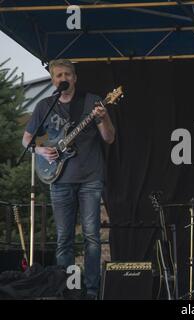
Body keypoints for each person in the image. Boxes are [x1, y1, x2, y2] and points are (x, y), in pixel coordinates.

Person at [22, 59, 115, 299]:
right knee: (64, 238)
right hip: (58, 178)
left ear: (74, 78)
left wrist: (103, 117)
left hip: (90, 178)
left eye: (67, 74)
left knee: (92, 237)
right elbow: (27, 139)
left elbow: (109, 138)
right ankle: (65, 288)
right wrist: (41, 150)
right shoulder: (45, 105)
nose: (63, 78)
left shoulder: (92, 102)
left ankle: (92, 290)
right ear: (53, 80)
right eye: (58, 75)